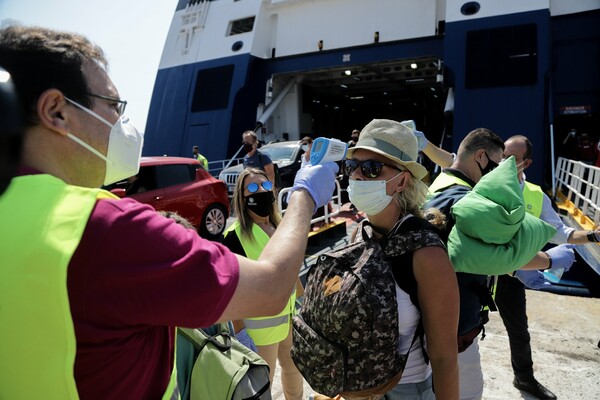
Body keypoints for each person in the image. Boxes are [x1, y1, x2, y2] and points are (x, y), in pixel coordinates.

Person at [0, 24, 337, 398]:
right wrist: (305, 193)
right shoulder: (107, 230)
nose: (123, 123)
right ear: (56, 111)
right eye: (112, 105)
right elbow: (273, 287)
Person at [423, 128, 576, 400]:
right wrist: (551, 259)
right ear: (481, 157)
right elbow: (503, 254)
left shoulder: (437, 184)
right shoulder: (470, 201)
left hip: (427, 317)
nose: (500, 172)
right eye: (498, 164)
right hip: (455, 328)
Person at [344, 119, 460, 399]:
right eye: (352, 167)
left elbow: (445, 357)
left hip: (406, 390)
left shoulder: (427, 253)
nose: (358, 176)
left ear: (402, 180)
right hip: (360, 387)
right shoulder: (359, 234)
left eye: (371, 168)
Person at [494, 135, 600, 400]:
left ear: (526, 162)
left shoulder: (535, 195)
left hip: (513, 273)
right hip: (478, 268)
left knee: (518, 330)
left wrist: (592, 236)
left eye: (512, 159)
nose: (504, 162)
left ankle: (524, 378)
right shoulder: (485, 183)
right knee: (463, 326)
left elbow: (560, 231)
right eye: (502, 156)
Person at [222, 168, 304, 399]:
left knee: (293, 369)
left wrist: (303, 304)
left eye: (264, 186)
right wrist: (241, 334)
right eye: (251, 187)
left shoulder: (281, 228)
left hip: (288, 319)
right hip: (259, 331)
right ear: (242, 197)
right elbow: (230, 290)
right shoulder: (234, 236)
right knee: (262, 385)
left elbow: (290, 271)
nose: (260, 191)